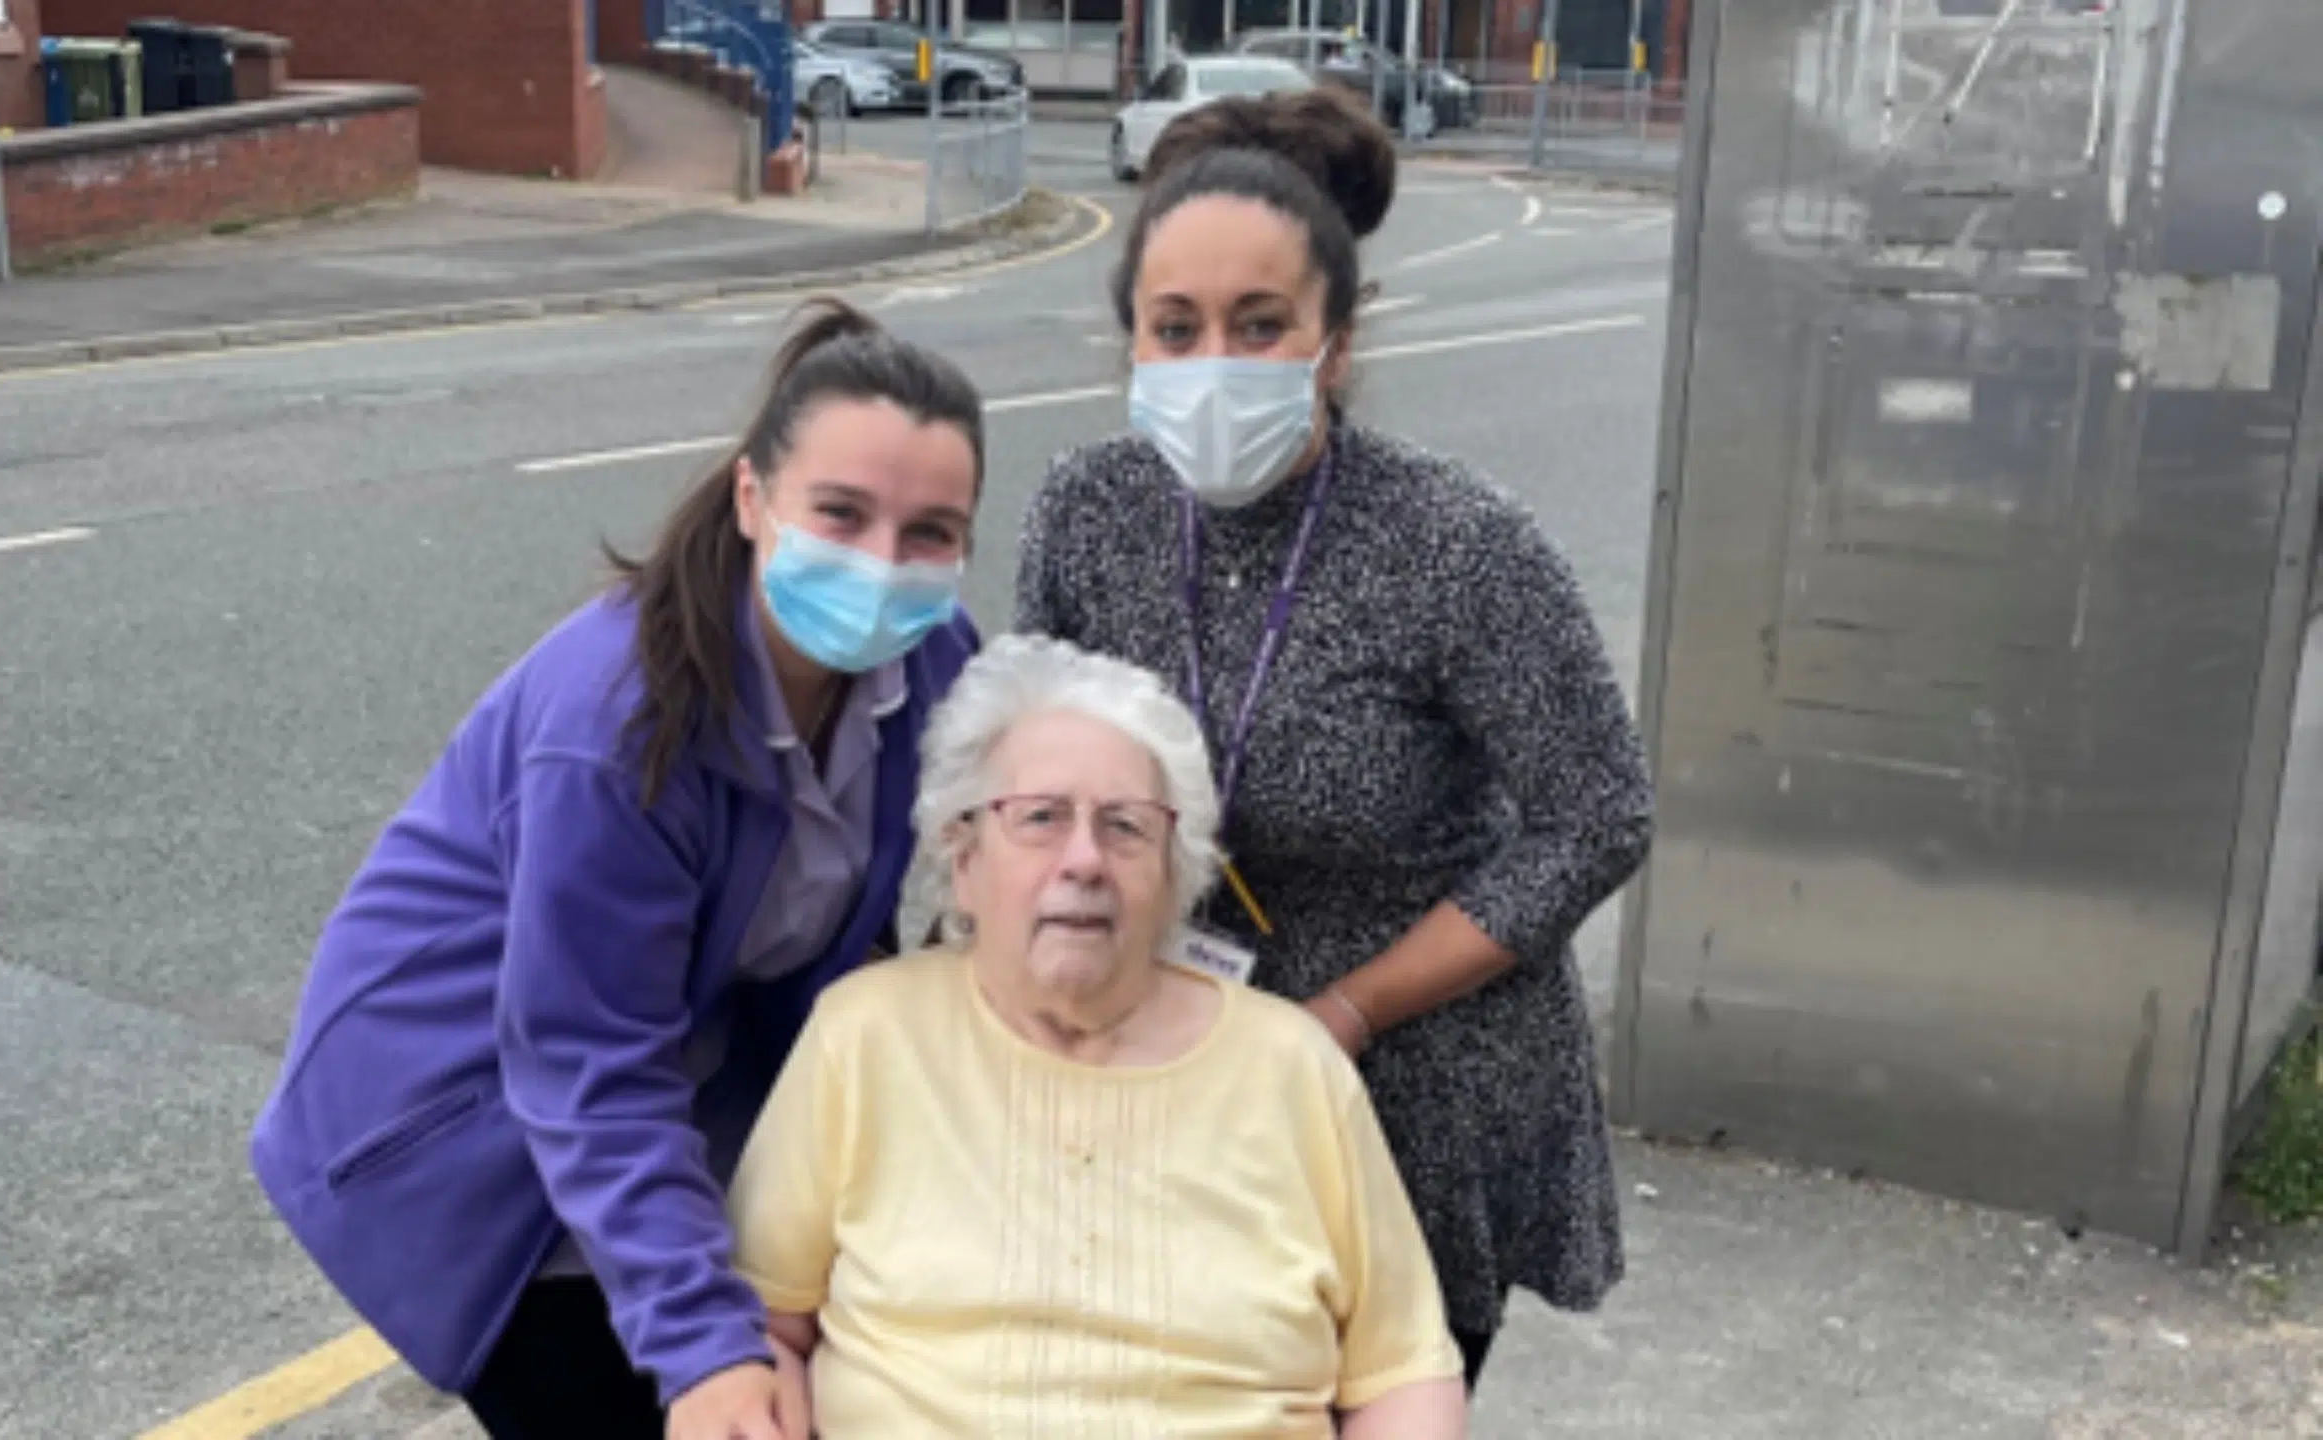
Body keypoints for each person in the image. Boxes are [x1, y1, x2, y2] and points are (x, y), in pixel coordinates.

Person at [246, 299, 987, 1440]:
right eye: (840, 513)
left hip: (682, 1089)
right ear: (752, 499)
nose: (883, 564)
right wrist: (701, 1348)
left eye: (930, 532)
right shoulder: (617, 723)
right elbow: (587, 1056)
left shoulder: (936, 661)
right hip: (480, 1125)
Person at [1012, 88, 1656, 1389]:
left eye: (1262, 329)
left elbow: (1599, 813)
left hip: (1408, 1086)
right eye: (1176, 328)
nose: (1214, 364)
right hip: (1161, 1072)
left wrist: (1349, 1012)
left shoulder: (1455, 543)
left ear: (1337, 345)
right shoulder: (1086, 512)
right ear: (1130, 339)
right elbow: (1026, 778)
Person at [724, 634, 1469, 1438]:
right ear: (964, 859)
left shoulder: (1292, 1066)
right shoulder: (864, 1034)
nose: (1084, 859)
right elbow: (764, 1325)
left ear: (1173, 878)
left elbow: (1403, 1375)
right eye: (1040, 818)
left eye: (1125, 827)